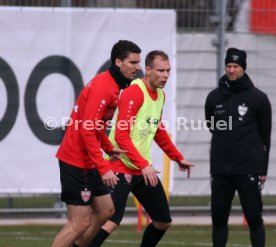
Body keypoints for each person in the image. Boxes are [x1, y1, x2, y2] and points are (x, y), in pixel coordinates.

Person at [87, 50, 194, 247]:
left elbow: (158, 130)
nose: (165, 75)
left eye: (168, 71)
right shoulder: (134, 92)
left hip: (142, 169)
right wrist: (144, 165)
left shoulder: (160, 95)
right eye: (161, 70)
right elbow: (121, 135)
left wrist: (177, 158)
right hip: (119, 166)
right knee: (110, 220)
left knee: (163, 221)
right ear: (148, 70)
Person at [51, 40, 141, 247]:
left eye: (139, 62)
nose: (138, 67)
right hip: (76, 161)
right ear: (118, 62)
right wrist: (104, 168)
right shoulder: (104, 87)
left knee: (107, 210)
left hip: (88, 161)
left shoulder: (113, 85)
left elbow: (95, 124)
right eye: (133, 62)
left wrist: (108, 148)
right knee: (79, 223)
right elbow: (86, 129)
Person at [205, 48, 272, 247]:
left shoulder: (258, 98)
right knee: (218, 219)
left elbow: (265, 136)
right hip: (220, 169)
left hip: (248, 169)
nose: (231, 70)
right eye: (228, 66)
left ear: (243, 68)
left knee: (253, 218)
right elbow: (211, 126)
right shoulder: (214, 97)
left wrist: (263, 169)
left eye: (236, 66)